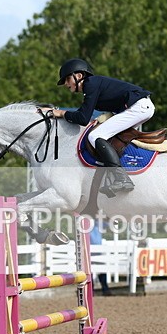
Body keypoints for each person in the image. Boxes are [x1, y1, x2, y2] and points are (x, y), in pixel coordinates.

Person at [49, 58, 155, 197]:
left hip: (138, 107)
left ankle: (121, 178)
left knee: (95, 136)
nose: (65, 84)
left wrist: (61, 113)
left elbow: (82, 118)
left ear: (79, 76)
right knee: (107, 136)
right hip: (140, 107)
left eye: (67, 79)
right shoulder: (92, 86)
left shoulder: (90, 84)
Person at [89, 221, 111, 295]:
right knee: (89, 271)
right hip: (89, 251)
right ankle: (91, 289)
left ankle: (105, 288)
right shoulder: (87, 223)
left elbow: (108, 224)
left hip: (98, 250)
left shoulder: (97, 223)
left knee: (102, 269)